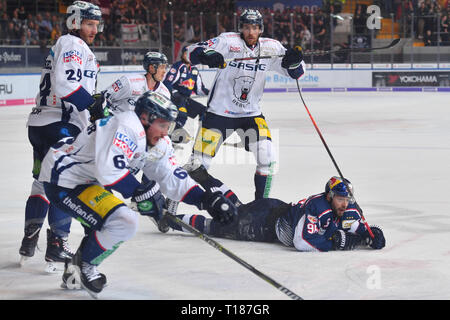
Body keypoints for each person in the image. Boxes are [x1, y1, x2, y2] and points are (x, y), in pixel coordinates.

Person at [38, 91, 236, 298]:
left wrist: (205, 200)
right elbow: (109, 171)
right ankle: (82, 267)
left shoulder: (158, 141)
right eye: (162, 124)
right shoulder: (126, 126)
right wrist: (141, 192)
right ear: (145, 118)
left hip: (89, 182)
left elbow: (170, 176)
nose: (165, 132)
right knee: (123, 221)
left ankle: (75, 271)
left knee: (110, 224)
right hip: (63, 180)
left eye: (168, 126)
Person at [20, 1, 108, 272]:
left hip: (40, 124)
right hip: (61, 124)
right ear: (74, 22)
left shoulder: (69, 45)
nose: (94, 29)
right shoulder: (73, 44)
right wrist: (92, 105)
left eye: (96, 24)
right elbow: (65, 83)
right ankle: (57, 243)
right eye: (89, 23)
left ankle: (29, 239)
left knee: (41, 183)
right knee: (66, 182)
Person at [184, 9, 305, 200]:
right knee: (197, 164)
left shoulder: (271, 47)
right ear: (241, 28)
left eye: (255, 28)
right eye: (247, 27)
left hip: (251, 115)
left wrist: (293, 62)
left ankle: (261, 206)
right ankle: (172, 204)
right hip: (219, 114)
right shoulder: (227, 41)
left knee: (267, 158)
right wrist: (206, 55)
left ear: (261, 29)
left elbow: (297, 73)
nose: (250, 32)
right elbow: (189, 52)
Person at [161, 176, 386, 252]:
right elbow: (302, 241)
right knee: (217, 226)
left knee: (236, 207)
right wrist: (335, 243)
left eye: (346, 199)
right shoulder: (319, 207)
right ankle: (170, 219)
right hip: (261, 224)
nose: (344, 204)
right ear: (329, 196)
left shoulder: (345, 207)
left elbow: (354, 225)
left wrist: (370, 234)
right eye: (340, 199)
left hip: (273, 209)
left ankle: (205, 177)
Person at [163, 46, 210, 144]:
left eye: (190, 54)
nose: (187, 56)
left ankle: (201, 137)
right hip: (174, 98)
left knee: (204, 112)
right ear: (182, 54)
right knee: (182, 115)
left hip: (185, 99)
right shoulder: (178, 66)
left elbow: (200, 89)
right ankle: (169, 136)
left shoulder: (194, 70)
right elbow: (167, 83)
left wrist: (212, 92)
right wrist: (174, 93)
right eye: (185, 53)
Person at [103, 51, 171, 114]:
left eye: (165, 67)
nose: (164, 71)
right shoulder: (129, 82)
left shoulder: (164, 93)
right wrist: (106, 117)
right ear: (151, 68)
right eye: (162, 67)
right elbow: (103, 97)